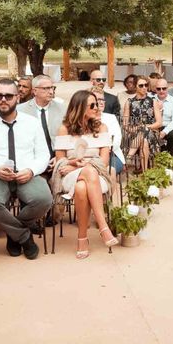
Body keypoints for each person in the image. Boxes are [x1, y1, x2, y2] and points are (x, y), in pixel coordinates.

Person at [0, 79, 52, 260]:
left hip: (26, 174)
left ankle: (13, 234)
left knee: (44, 199)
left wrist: (31, 170)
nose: (3, 99)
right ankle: (23, 236)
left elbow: (43, 156)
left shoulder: (32, 123)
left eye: (8, 95)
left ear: (17, 97)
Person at [52, 91, 118, 258]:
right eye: (92, 105)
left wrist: (79, 167)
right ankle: (103, 227)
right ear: (80, 107)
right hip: (69, 176)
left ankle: (82, 238)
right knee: (85, 176)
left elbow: (103, 161)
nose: (97, 108)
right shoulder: (64, 129)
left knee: (82, 187)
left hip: (97, 175)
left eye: (97, 104)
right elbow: (60, 161)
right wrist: (74, 166)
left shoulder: (101, 127)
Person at [18, 75, 65, 160]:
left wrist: (59, 158)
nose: (51, 92)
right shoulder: (21, 111)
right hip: (32, 159)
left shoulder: (62, 109)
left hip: (57, 157)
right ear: (34, 91)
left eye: (52, 88)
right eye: (45, 88)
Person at [122, 76, 162, 171]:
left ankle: (129, 157)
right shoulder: (129, 102)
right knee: (143, 139)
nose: (144, 87)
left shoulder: (153, 101)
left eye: (146, 85)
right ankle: (145, 173)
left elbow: (159, 122)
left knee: (144, 132)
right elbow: (125, 124)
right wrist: (132, 129)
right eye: (141, 85)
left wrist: (145, 127)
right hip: (134, 133)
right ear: (136, 87)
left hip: (152, 132)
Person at [90, 87, 125, 176]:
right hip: (90, 155)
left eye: (103, 99)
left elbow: (117, 139)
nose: (101, 102)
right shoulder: (86, 118)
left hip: (112, 155)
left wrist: (105, 149)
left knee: (106, 171)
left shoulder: (111, 118)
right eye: (98, 99)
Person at [154, 78, 173, 155]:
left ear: (167, 88)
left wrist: (165, 131)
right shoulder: (151, 100)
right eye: (159, 89)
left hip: (168, 126)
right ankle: (162, 149)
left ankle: (169, 157)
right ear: (155, 89)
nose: (161, 91)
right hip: (154, 126)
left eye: (164, 88)